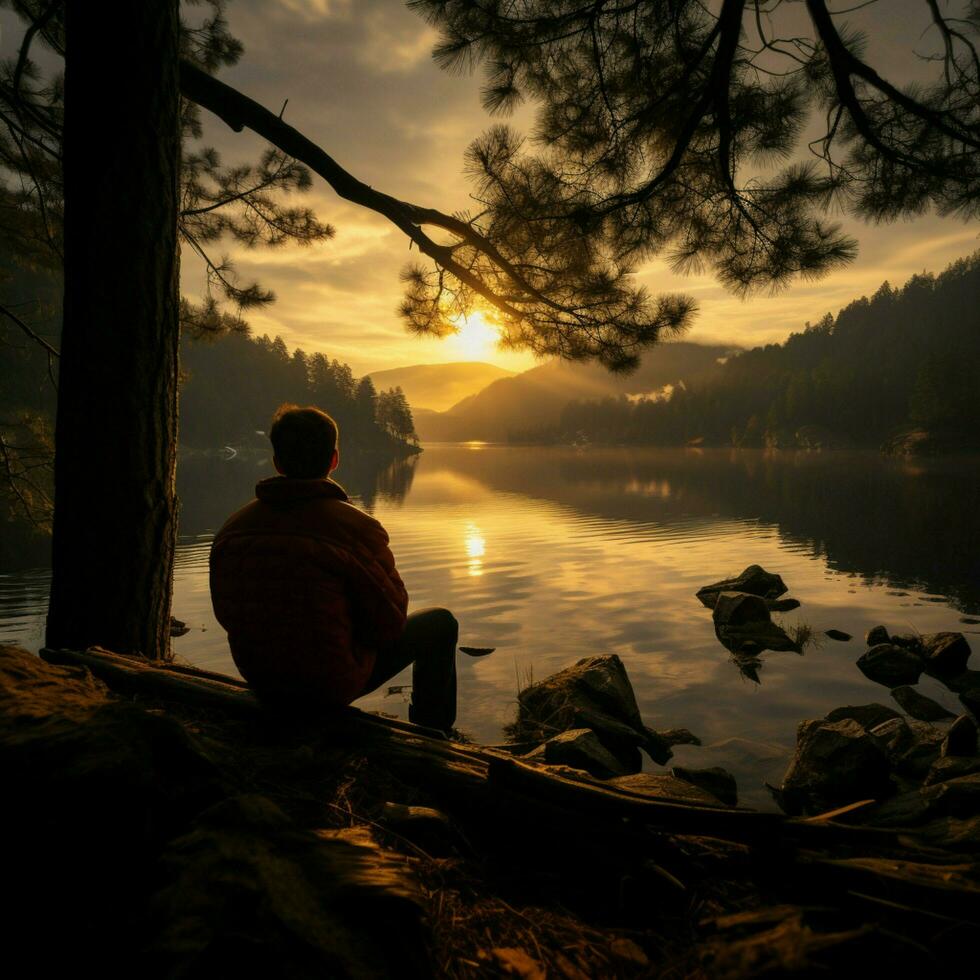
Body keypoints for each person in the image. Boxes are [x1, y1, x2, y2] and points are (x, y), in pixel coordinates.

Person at [209, 403, 458, 730]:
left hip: (262, 679)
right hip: (327, 687)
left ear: (277, 463)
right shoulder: (356, 528)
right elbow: (389, 623)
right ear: (334, 460)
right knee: (440, 624)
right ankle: (432, 734)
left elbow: (225, 613)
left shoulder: (233, 528)